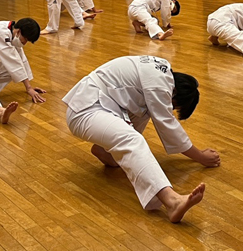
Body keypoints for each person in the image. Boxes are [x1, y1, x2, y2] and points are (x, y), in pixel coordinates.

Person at [63, 55, 219, 223]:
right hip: (85, 109)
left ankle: (104, 150)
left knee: (144, 111)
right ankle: (172, 201)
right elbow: (168, 126)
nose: (170, 108)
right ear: (175, 95)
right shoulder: (159, 84)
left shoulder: (158, 73)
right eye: (173, 106)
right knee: (132, 140)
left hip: (103, 104)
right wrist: (201, 157)